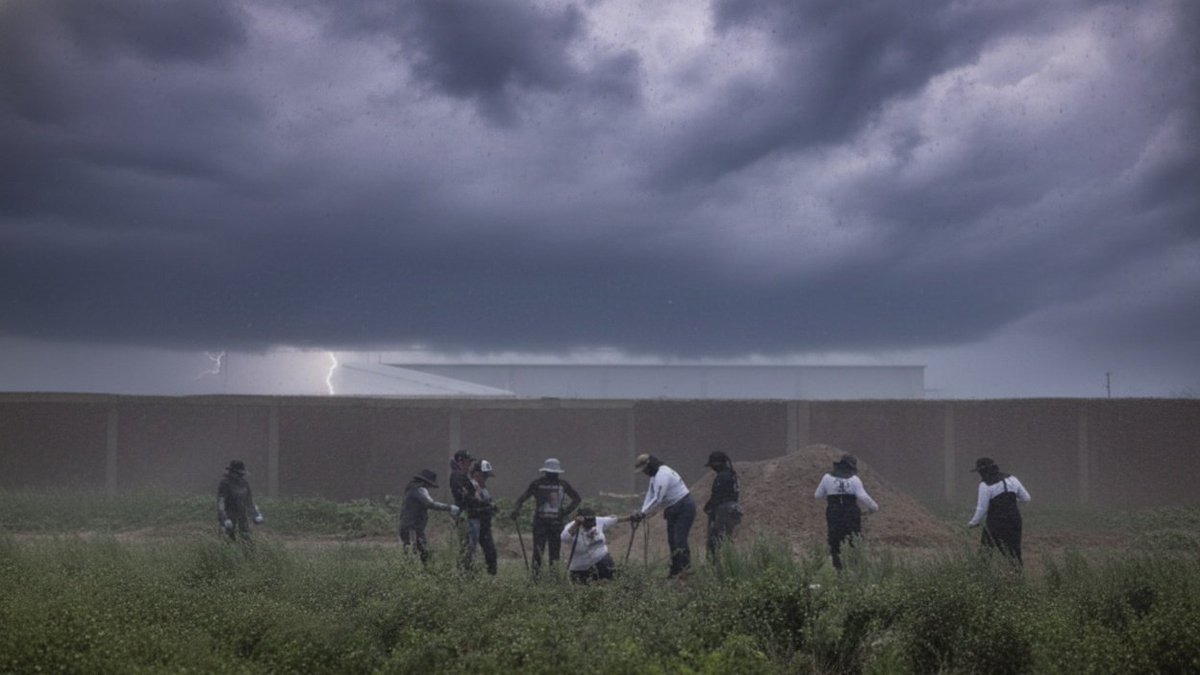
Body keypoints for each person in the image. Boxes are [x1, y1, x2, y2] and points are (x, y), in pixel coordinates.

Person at [630, 453, 696, 578]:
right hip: (672, 508)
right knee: (672, 540)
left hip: (684, 506)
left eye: (644, 470)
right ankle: (676, 569)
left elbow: (657, 498)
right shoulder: (654, 477)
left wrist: (643, 513)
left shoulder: (663, 474)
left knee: (679, 539)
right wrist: (642, 511)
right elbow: (649, 495)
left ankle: (685, 569)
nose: (644, 473)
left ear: (650, 466)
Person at [511, 458, 582, 574]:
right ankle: (536, 577)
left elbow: (577, 499)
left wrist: (565, 512)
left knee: (554, 554)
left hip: (555, 524)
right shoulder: (537, 484)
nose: (552, 475)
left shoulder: (562, 484)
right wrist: (516, 510)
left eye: (554, 474)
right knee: (538, 552)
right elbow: (521, 499)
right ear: (546, 472)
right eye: (550, 473)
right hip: (541, 524)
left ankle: (553, 577)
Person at [814, 453, 878, 571]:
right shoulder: (854, 480)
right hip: (851, 513)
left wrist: (831, 491)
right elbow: (863, 497)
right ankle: (854, 570)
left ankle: (839, 570)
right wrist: (874, 508)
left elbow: (817, 495)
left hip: (834, 512)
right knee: (853, 541)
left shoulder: (827, 477)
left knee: (835, 541)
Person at [967, 457, 1031, 564]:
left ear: (983, 471)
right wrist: (1011, 503)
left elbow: (982, 508)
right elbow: (1026, 498)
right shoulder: (1012, 479)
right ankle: (1018, 577)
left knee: (985, 552)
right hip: (1015, 520)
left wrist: (973, 523)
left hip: (996, 523)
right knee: (1014, 553)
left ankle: (981, 577)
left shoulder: (985, 485)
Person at [397, 469, 461, 563]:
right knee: (412, 554)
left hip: (414, 527)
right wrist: (449, 508)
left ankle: (425, 573)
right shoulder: (419, 490)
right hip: (412, 527)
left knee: (423, 552)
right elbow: (430, 504)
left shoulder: (412, 489)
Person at [561, 507, 634, 584]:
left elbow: (614, 520)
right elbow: (564, 537)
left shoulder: (598, 520)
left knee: (611, 582)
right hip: (580, 567)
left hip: (602, 561)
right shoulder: (572, 526)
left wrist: (631, 517)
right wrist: (576, 524)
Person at [460, 459, 499, 575]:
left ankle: (491, 577)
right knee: (470, 551)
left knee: (491, 552)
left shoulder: (483, 487)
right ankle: (466, 575)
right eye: (484, 475)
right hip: (473, 522)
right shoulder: (470, 485)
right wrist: (487, 505)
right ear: (476, 473)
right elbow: (469, 500)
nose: (486, 478)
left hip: (485, 524)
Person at [702, 451, 742, 561]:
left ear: (717, 464)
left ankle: (714, 568)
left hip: (724, 510)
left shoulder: (723, 477)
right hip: (734, 508)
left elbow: (718, 496)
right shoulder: (732, 474)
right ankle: (728, 565)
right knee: (726, 540)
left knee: (715, 542)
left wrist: (710, 508)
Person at [217, 459, 263, 542]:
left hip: (242, 517)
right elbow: (221, 502)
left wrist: (256, 515)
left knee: (247, 542)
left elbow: (249, 502)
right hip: (229, 516)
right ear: (232, 472)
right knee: (228, 542)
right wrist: (225, 518)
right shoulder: (225, 484)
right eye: (238, 474)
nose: (240, 476)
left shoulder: (244, 484)